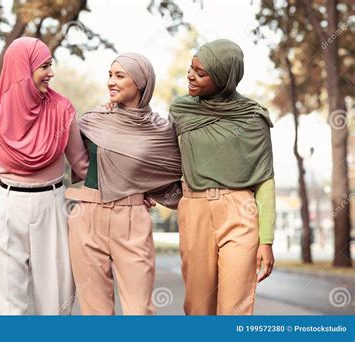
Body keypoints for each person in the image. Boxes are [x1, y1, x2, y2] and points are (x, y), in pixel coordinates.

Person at [0, 37, 89, 315]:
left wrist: (130, 188)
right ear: (22, 69)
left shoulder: (63, 111)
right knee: (8, 309)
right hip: (6, 206)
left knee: (56, 302)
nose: (51, 73)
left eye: (51, 65)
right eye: (44, 66)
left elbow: (82, 166)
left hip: (52, 204)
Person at [66, 52, 182, 315]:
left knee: (139, 311)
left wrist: (147, 189)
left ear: (141, 83)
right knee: (95, 314)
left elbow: (170, 173)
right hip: (87, 216)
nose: (110, 82)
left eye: (120, 76)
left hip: (132, 219)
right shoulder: (95, 119)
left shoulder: (161, 131)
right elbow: (60, 136)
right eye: (109, 75)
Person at [169, 39, 276, 315]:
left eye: (201, 73)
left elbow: (264, 179)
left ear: (224, 79)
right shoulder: (182, 110)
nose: (191, 76)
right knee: (198, 308)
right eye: (191, 68)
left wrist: (267, 240)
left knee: (236, 307)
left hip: (240, 211)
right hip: (195, 209)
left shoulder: (253, 117)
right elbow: (163, 157)